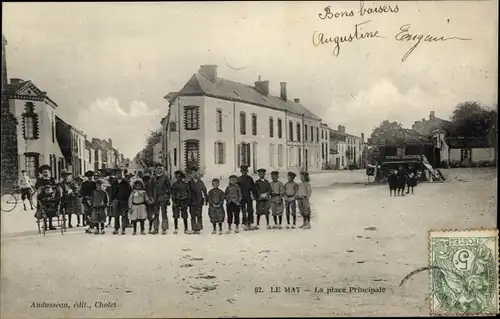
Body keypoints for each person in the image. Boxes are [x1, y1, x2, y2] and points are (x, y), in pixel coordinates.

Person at [34, 165, 61, 231]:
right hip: (42, 198)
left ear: (49, 172)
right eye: (44, 172)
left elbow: (56, 187)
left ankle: (50, 225)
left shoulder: (52, 179)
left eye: (46, 172)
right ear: (42, 173)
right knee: (44, 209)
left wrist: (53, 189)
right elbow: (36, 188)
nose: (45, 174)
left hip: (52, 197)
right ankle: (45, 225)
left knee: (51, 208)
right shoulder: (39, 180)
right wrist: (41, 188)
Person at [110, 170, 133, 235]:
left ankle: (123, 229)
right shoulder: (114, 183)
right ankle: (116, 228)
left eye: (120, 173)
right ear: (116, 175)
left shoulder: (126, 183)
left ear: (122, 174)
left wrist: (129, 202)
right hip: (116, 201)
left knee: (124, 215)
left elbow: (130, 192)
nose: (119, 175)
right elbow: (111, 192)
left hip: (124, 201)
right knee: (116, 215)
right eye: (117, 174)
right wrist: (111, 201)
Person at [151, 165, 171, 235]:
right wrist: (152, 197)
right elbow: (151, 188)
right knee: (156, 214)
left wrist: (167, 195)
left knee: (163, 213)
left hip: (163, 198)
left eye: (160, 168)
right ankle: (156, 229)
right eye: (158, 168)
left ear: (162, 170)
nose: (159, 170)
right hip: (155, 198)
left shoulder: (165, 178)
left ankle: (164, 229)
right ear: (156, 170)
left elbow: (169, 188)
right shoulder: (153, 178)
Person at [188, 168, 208, 234]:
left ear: (198, 174)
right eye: (193, 173)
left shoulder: (200, 182)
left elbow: (204, 191)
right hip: (191, 201)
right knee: (193, 215)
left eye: (196, 173)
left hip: (199, 201)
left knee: (199, 215)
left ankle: (199, 228)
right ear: (191, 175)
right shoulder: (189, 183)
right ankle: (194, 229)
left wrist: (206, 198)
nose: (195, 174)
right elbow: (187, 192)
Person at [237, 165, 258, 231]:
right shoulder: (239, 179)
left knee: (250, 210)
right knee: (243, 210)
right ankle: (244, 223)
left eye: (245, 171)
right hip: (242, 196)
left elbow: (253, 188)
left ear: (247, 171)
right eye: (243, 171)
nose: (244, 172)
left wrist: (255, 196)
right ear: (241, 171)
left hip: (248, 196)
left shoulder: (250, 178)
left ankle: (250, 223)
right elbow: (237, 189)